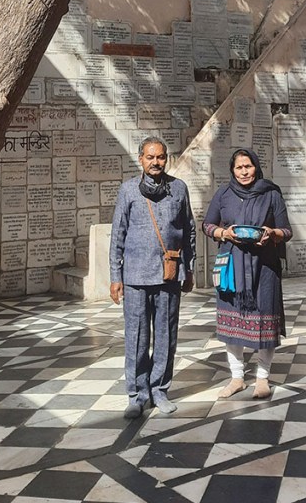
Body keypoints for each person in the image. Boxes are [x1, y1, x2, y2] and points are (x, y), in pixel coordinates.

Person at [109, 136, 195, 419]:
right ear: (141, 159)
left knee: (166, 336)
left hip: (169, 276)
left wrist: (189, 268)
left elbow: (189, 230)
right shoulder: (128, 190)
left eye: (160, 157)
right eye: (150, 157)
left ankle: (159, 390)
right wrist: (116, 276)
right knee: (136, 337)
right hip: (135, 276)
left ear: (166, 159)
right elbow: (118, 234)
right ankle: (137, 395)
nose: (156, 162)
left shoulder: (179, 189)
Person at [203, 147, 292, 400]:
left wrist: (272, 233)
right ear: (232, 170)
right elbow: (207, 225)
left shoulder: (271, 194)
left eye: (248, 166)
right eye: (239, 167)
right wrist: (224, 233)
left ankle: (262, 378)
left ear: (256, 167)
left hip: (265, 268)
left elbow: (286, 231)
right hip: (232, 267)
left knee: (265, 322)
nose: (244, 172)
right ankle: (237, 378)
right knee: (232, 323)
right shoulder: (223, 194)